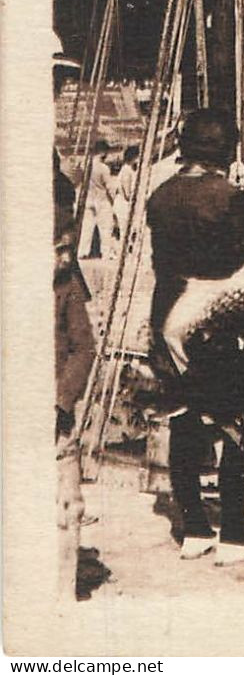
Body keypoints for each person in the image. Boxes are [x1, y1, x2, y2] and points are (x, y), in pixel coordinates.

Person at [146, 108, 244, 563]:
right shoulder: (228, 197)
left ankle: (194, 528)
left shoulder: (160, 195)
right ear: (225, 150)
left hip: (168, 315)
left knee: (183, 416)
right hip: (214, 317)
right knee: (233, 421)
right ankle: (235, 533)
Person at [55, 155, 95, 601]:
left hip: (56, 411)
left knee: (65, 504)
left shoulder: (67, 292)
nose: (65, 254)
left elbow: (84, 347)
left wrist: (62, 400)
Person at [78, 140, 117, 258]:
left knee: (86, 228)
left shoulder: (85, 166)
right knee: (105, 228)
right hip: (102, 200)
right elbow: (109, 187)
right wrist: (114, 200)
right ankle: (106, 252)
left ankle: (82, 252)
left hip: (89, 199)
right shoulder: (104, 168)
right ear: (103, 152)